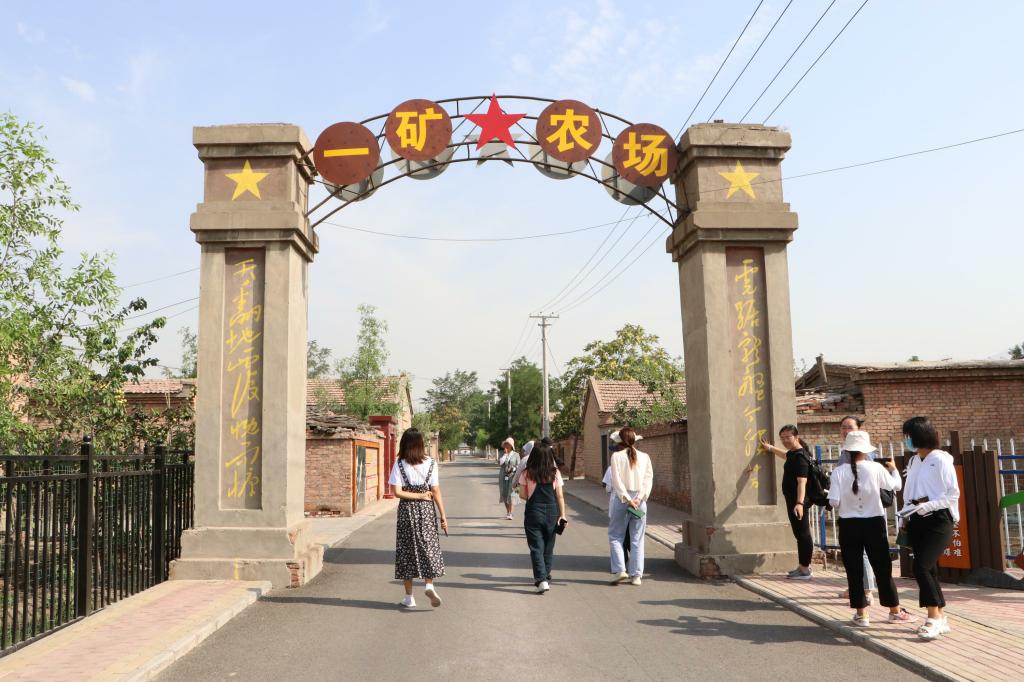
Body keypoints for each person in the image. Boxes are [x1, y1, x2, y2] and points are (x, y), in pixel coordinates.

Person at [828, 430, 914, 627]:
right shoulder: (876, 468)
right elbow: (896, 486)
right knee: (882, 567)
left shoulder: (838, 472)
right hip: (874, 522)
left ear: (847, 451)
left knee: (854, 568)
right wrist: (894, 470)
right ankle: (894, 611)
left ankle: (862, 614)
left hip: (849, 524)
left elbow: (833, 502)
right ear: (866, 451)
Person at [900, 416, 960, 640]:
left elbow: (952, 494)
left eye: (908, 436)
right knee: (930, 568)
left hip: (939, 519)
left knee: (921, 567)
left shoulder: (941, 459)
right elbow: (909, 491)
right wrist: (904, 515)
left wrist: (928, 505)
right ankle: (941, 617)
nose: (906, 440)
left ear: (919, 435)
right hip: (916, 517)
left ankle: (932, 618)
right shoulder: (914, 460)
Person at [390, 428, 447, 609]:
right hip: (426, 510)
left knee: (406, 551)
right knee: (427, 546)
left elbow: (397, 492)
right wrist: (443, 515)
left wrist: (414, 496)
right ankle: (429, 585)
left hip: (406, 512)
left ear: (404, 444)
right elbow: (435, 490)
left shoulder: (399, 464)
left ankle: (409, 598)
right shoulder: (431, 463)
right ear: (421, 444)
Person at [761, 425, 813, 580]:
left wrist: (799, 503)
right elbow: (786, 455)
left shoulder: (800, 457)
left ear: (796, 437)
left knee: (803, 534)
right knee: (800, 533)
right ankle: (803, 566)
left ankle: (805, 569)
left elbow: (802, 482)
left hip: (798, 502)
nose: (784, 440)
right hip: (793, 501)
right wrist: (770, 448)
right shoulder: (794, 454)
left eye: (788, 437)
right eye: (782, 438)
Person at [517, 438, 567, 593]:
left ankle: (541, 579)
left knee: (536, 547)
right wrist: (562, 515)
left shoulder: (527, 473)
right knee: (548, 546)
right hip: (552, 512)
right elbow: (560, 496)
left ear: (533, 456)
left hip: (533, 512)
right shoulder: (555, 473)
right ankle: (546, 574)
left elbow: (523, 495)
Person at [837, 416, 876, 603]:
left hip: (865, 511)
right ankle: (855, 587)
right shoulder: (844, 453)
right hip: (849, 510)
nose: (846, 431)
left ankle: (867, 590)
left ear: (859, 429)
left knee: (863, 552)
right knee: (852, 553)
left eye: (850, 427)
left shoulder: (867, 453)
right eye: (843, 427)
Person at [608, 427, 653, 586]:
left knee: (615, 536)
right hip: (640, 502)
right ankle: (636, 575)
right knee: (637, 539)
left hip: (622, 500)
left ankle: (620, 569)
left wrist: (628, 499)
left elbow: (617, 481)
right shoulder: (645, 457)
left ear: (620, 440)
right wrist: (639, 498)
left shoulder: (616, 456)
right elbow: (648, 480)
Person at [497, 437, 519, 520]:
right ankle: (508, 512)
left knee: (512, 494)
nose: (506, 445)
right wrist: (505, 454)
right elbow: (500, 463)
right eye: (505, 444)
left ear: (511, 445)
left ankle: (511, 513)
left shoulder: (516, 455)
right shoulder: (501, 453)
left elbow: (519, 465)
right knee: (504, 494)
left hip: (513, 476)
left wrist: (513, 469)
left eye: (508, 444)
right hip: (503, 476)